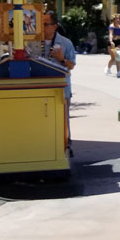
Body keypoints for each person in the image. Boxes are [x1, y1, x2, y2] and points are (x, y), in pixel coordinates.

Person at [42, 12, 76, 151]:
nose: (42, 27)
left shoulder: (66, 43)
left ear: (54, 26)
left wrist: (62, 59)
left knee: (62, 117)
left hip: (61, 88)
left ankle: (65, 143)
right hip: (41, 86)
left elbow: (72, 65)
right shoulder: (34, 40)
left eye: (45, 24)